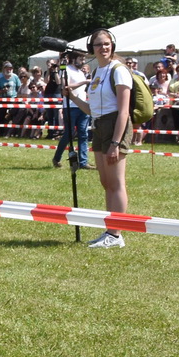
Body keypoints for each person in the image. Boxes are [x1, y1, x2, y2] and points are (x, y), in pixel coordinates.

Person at [69, 28, 134, 249]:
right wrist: (73, 97)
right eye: (98, 44)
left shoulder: (119, 70)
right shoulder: (97, 72)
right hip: (99, 126)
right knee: (105, 182)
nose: (103, 48)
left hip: (116, 126)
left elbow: (123, 111)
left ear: (112, 46)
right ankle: (110, 230)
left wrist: (116, 142)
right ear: (92, 49)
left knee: (116, 183)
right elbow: (92, 109)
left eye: (106, 44)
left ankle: (116, 234)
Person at [51, 47, 92, 169]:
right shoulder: (66, 70)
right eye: (81, 58)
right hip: (70, 106)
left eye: (84, 58)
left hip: (82, 105)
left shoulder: (81, 72)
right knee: (69, 134)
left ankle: (83, 162)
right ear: (73, 59)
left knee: (83, 134)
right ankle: (57, 158)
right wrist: (84, 82)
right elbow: (65, 87)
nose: (83, 61)